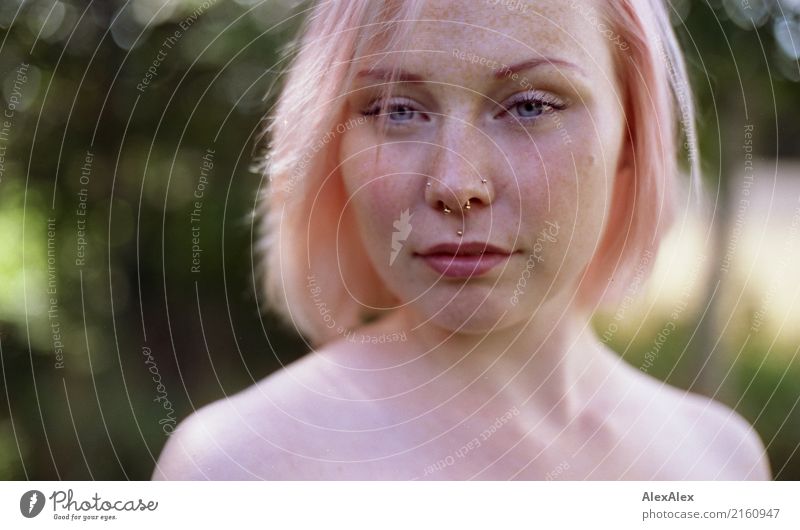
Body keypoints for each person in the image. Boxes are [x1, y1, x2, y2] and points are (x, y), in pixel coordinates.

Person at [152, 0, 771, 480]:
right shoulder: (237, 470)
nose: (456, 184)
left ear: (631, 134)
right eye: (396, 109)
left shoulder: (721, 464)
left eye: (529, 106)